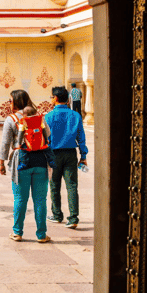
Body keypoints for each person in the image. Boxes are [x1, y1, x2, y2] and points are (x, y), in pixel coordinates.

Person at [0, 89, 50, 243]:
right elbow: (48, 135)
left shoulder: (11, 119)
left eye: (10, 100)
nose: (9, 103)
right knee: (40, 199)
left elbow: (5, 143)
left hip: (21, 161)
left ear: (16, 101)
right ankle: (41, 235)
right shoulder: (38, 117)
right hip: (40, 160)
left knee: (20, 198)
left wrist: (1, 162)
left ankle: (17, 232)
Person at [45, 85, 89, 229]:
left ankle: (57, 214)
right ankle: (73, 218)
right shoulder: (75, 116)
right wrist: (83, 155)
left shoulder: (49, 116)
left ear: (56, 98)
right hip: (71, 154)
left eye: (51, 97)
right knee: (72, 186)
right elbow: (81, 137)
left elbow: (45, 139)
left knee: (54, 185)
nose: (51, 99)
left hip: (54, 154)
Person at [16, 105, 56, 171]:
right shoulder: (40, 119)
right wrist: (46, 140)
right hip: (40, 143)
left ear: (24, 115)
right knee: (48, 150)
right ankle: (52, 162)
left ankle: (23, 163)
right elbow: (44, 130)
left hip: (29, 145)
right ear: (35, 113)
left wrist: (19, 143)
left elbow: (20, 133)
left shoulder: (23, 121)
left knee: (22, 151)